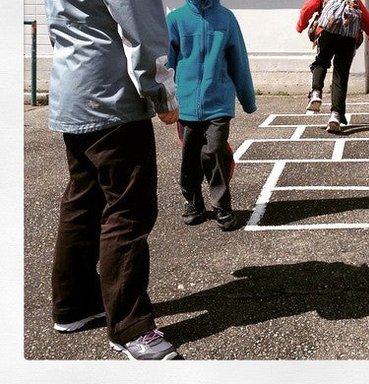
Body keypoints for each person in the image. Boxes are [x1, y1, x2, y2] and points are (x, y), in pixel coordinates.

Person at [46, 0, 180, 360]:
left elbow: (60, 25)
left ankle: (73, 306)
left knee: (84, 200)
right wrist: (161, 91)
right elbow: (143, 26)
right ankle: (131, 327)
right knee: (129, 210)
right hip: (111, 97)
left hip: (72, 90)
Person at [166, 0, 257, 229]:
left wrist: (248, 100)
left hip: (218, 103)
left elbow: (239, 61)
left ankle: (221, 204)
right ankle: (193, 201)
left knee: (213, 151)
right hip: (186, 104)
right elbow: (166, 64)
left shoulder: (226, 18)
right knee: (190, 156)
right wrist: (163, 100)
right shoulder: (176, 19)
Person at [296, 0, 369, 132]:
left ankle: (316, 93)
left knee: (321, 62)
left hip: (327, 32)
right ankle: (335, 115)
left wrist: (301, 26)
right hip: (348, 39)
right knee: (340, 75)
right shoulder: (355, 1)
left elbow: (308, 8)